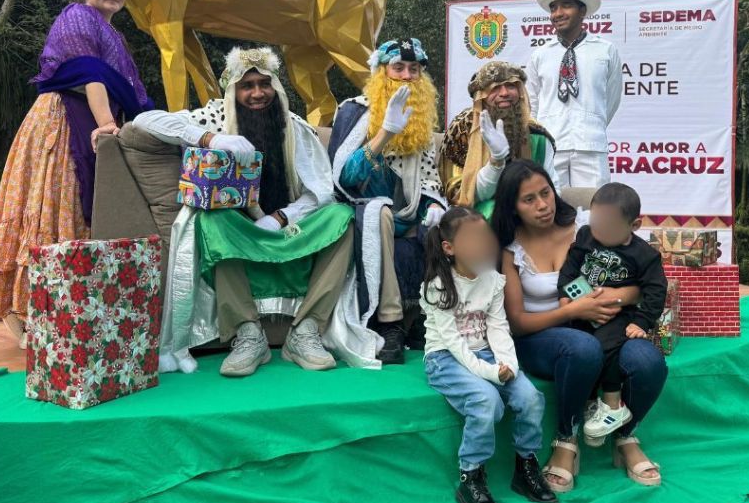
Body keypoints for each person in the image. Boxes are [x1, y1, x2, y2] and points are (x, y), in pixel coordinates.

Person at [133, 46, 364, 376]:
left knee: (342, 218)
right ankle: (248, 335)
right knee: (210, 218)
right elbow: (144, 119)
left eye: (264, 84)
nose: (257, 93)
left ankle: (306, 331)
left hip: (288, 232)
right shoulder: (216, 117)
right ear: (233, 90)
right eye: (247, 86)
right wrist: (210, 139)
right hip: (238, 236)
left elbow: (322, 192)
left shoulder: (296, 127)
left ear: (275, 87)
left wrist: (281, 217)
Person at [0, 0, 155, 345]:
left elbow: (135, 93)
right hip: (63, 123)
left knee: (79, 216)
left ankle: (63, 310)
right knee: (52, 209)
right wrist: (106, 124)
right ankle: (29, 312)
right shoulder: (76, 17)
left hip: (98, 123)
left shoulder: (116, 38)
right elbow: (87, 70)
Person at [492, 160, 666, 491]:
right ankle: (566, 440)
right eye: (529, 199)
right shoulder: (510, 248)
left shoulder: (587, 226)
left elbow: (643, 281)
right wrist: (575, 309)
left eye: (546, 193)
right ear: (512, 206)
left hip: (607, 323)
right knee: (582, 348)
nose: (542, 205)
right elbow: (517, 322)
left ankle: (625, 437)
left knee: (648, 361)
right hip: (541, 336)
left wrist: (613, 299)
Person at [420, 207, 557, 503]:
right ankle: (470, 475)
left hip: (489, 355)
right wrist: (490, 374)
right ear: (449, 248)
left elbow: (497, 327)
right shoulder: (438, 286)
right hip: (445, 359)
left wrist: (508, 364)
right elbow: (453, 343)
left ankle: (525, 465)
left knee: (531, 398)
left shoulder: (493, 279)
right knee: (486, 401)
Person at [328, 37, 447, 365]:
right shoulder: (354, 111)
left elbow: (427, 182)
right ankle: (391, 323)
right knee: (378, 210)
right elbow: (343, 179)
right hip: (364, 215)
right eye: (398, 68)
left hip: (406, 219)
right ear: (382, 72)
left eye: (414, 69)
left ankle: (431, 319)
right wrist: (385, 134)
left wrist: (434, 206)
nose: (407, 76)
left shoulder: (423, 123)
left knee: (450, 220)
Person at [556, 182, 666, 485]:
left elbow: (656, 290)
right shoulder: (585, 237)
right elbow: (571, 267)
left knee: (608, 344)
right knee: (580, 346)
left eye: (608, 225)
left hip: (620, 317)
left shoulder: (644, 255)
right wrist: (567, 297)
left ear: (635, 225)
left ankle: (612, 403)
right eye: (596, 221)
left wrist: (643, 322)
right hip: (581, 307)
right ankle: (591, 405)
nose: (599, 230)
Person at [525, 0, 622, 188]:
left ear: (582, 10)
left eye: (566, 5)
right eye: (553, 8)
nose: (558, 13)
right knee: (552, 210)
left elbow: (611, 99)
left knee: (591, 210)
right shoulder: (540, 55)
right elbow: (530, 102)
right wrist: (542, 137)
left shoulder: (604, 50)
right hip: (550, 145)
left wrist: (590, 123)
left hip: (591, 145)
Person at [441, 60, 558, 215]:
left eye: (511, 86)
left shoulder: (537, 135)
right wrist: (496, 161)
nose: (504, 93)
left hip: (530, 213)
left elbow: (553, 186)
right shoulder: (461, 131)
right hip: (477, 216)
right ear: (481, 95)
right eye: (495, 88)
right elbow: (461, 195)